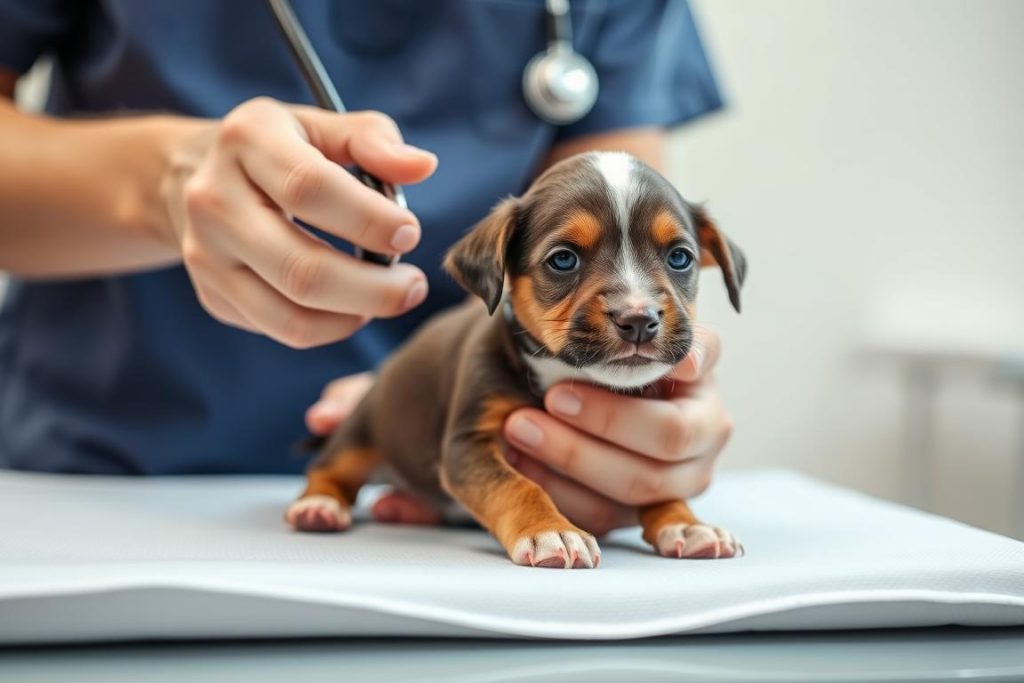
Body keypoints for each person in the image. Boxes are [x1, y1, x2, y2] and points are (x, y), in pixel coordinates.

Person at [0, 0, 732, 533]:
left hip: (438, 509)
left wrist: (619, 444)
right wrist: (164, 184)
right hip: (100, 488)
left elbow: (614, 215)